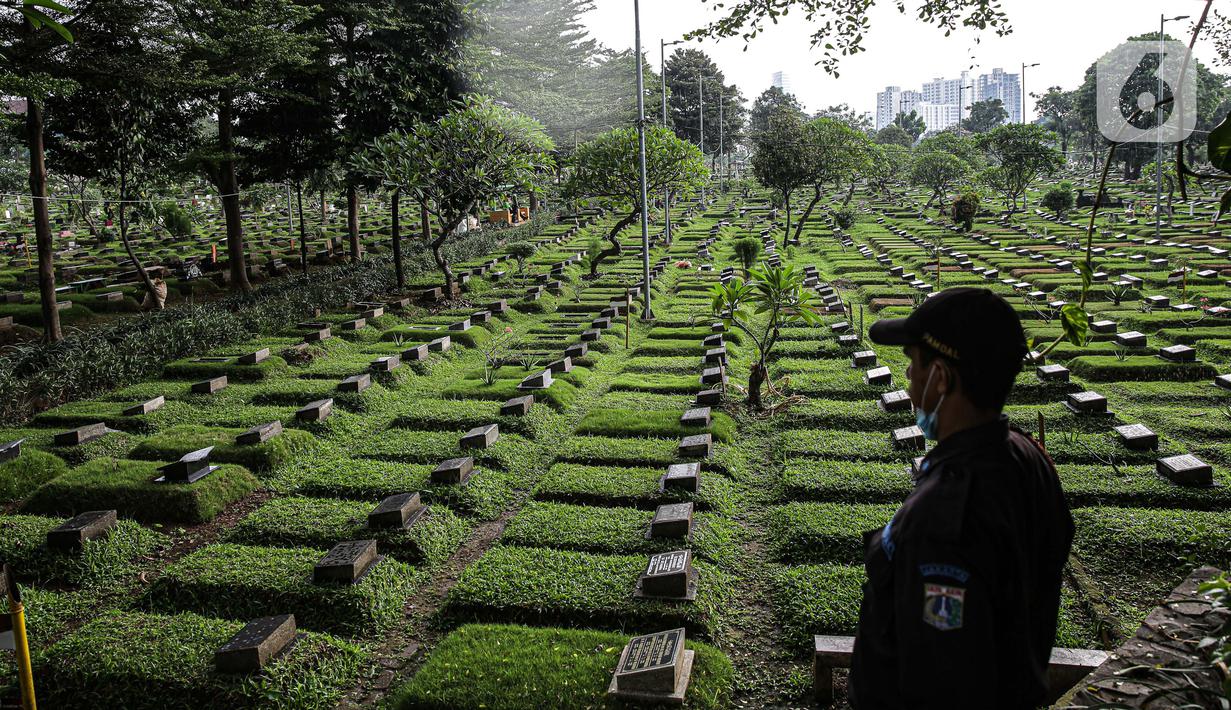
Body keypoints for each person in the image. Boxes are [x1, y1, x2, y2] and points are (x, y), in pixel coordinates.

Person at [849, 288, 1074, 709]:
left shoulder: (942, 520)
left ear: (941, 377)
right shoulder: (1028, 457)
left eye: (913, 364)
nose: (909, 380)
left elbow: (944, 679)